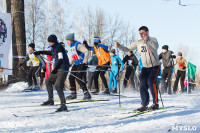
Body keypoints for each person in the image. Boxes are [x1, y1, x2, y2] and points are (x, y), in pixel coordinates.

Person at [115, 26, 161, 111]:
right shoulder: (138, 42)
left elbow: (155, 47)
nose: (141, 35)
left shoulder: (153, 39)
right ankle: (144, 104)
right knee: (142, 84)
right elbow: (127, 48)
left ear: (147, 32)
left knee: (151, 83)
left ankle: (155, 103)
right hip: (145, 66)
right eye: (140, 33)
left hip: (155, 66)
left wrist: (147, 40)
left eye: (143, 33)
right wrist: (119, 46)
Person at [34, 34, 70, 112]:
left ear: (53, 42)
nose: (49, 43)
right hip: (57, 69)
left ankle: (63, 105)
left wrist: (55, 69)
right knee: (48, 81)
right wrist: (39, 52)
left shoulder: (59, 48)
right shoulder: (54, 48)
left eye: (49, 42)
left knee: (57, 86)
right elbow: (50, 53)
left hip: (63, 68)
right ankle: (50, 100)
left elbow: (60, 59)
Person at [65, 33, 91, 100]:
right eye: (66, 40)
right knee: (71, 77)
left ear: (71, 40)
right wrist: (70, 64)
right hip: (76, 64)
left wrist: (84, 62)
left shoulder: (78, 45)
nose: (67, 42)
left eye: (68, 40)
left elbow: (86, 51)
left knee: (78, 77)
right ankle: (73, 93)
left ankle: (86, 93)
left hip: (82, 63)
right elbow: (74, 56)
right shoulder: (71, 46)